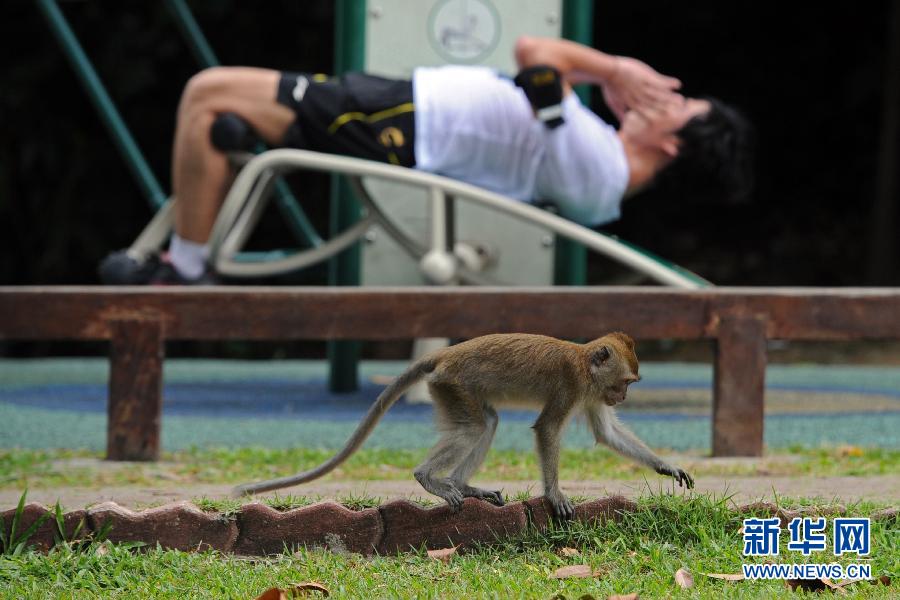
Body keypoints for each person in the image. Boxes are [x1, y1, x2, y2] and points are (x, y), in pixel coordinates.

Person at [100, 36, 752, 284]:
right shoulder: (602, 167)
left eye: (677, 105)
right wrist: (605, 84)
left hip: (403, 125)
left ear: (673, 145)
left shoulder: (598, 169)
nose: (659, 95)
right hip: (402, 115)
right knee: (217, 111)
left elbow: (534, 56)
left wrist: (613, 70)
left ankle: (184, 269)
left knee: (206, 91)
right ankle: (187, 254)